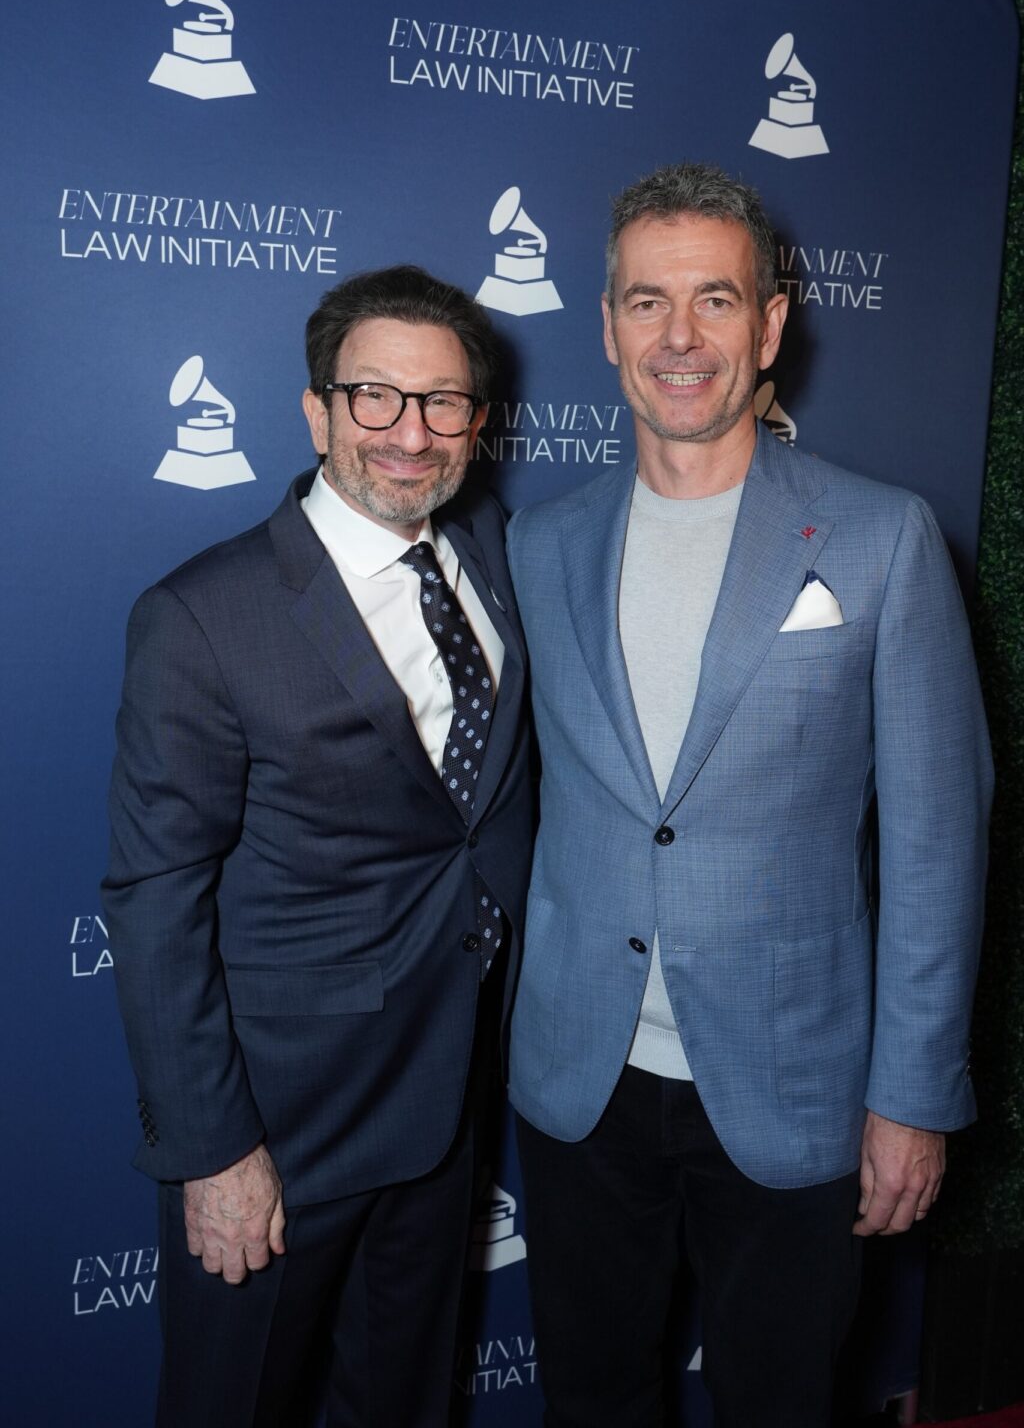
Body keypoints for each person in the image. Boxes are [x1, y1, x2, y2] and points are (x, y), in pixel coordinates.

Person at [506, 163, 991, 1428]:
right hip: (579, 1080)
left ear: (768, 323)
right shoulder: (538, 542)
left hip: (797, 1086)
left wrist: (912, 1095)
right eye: (647, 302)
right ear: (605, 322)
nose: (679, 339)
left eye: (714, 301)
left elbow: (940, 837)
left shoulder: (881, 538)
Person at [102, 265, 531, 1428]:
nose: (410, 432)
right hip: (281, 1131)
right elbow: (155, 899)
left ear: (475, 421)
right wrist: (214, 1150)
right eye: (376, 397)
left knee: (400, 1402)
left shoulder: (492, 555)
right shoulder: (204, 613)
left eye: (443, 402)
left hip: (447, 1100)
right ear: (316, 409)